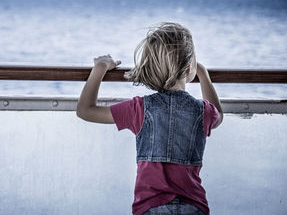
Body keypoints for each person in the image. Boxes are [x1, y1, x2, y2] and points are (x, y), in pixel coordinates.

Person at [76, 22, 223, 215]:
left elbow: (85, 110)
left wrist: (100, 68)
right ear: (188, 70)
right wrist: (203, 74)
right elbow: (218, 115)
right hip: (192, 205)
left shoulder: (139, 108)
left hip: (150, 207)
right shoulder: (203, 111)